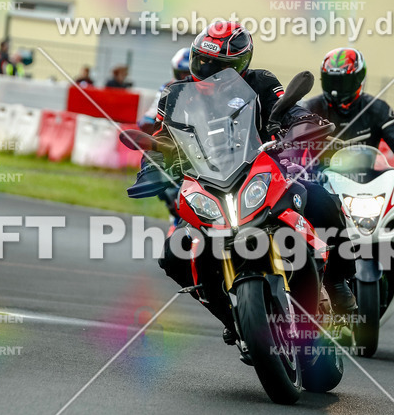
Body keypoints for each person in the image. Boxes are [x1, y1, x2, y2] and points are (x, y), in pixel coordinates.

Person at [128, 21, 357, 339]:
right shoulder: (175, 95)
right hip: (208, 185)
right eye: (202, 62)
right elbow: (162, 139)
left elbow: (289, 110)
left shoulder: (261, 81)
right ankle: (232, 317)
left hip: (265, 172)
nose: (208, 71)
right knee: (173, 256)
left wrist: (301, 124)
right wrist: (151, 169)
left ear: (240, 64)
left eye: (218, 66)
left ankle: (337, 281)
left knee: (323, 201)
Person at [304, 48, 394, 190]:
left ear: (359, 79)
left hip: (366, 187)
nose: (336, 89)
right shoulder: (309, 108)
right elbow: (289, 142)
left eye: (342, 81)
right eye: (331, 81)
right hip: (317, 186)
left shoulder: (378, 109)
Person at [138, 47, 190, 135]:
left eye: (189, 73)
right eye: (183, 73)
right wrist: (149, 122)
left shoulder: (208, 90)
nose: (185, 78)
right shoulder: (167, 88)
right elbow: (152, 114)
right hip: (174, 133)